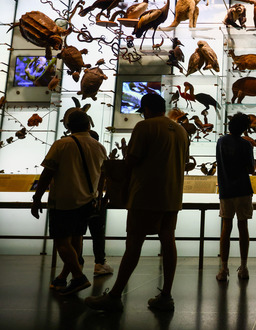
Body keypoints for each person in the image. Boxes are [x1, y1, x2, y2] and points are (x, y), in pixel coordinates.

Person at [85, 94, 189, 311]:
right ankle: (167, 296)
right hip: (172, 196)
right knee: (168, 241)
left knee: (133, 244)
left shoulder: (144, 127)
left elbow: (132, 160)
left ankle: (114, 296)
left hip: (145, 195)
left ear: (147, 109)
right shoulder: (180, 130)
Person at [31, 110, 107, 295]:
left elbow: (47, 173)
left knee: (62, 242)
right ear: (89, 125)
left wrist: (37, 197)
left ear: (68, 126)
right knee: (76, 239)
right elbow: (103, 175)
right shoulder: (99, 147)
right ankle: (66, 277)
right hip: (87, 201)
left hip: (63, 201)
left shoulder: (62, 144)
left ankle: (79, 277)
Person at [215, 112, 256, 282]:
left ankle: (224, 269)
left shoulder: (221, 141)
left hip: (226, 190)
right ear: (244, 128)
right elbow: (251, 169)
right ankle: (244, 267)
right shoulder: (246, 145)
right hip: (243, 190)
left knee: (226, 227)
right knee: (243, 227)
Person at [87, 129, 114, 276]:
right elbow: (105, 175)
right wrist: (104, 197)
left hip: (78, 199)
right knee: (97, 232)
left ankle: (76, 262)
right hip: (95, 199)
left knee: (76, 233)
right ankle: (99, 262)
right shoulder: (99, 150)